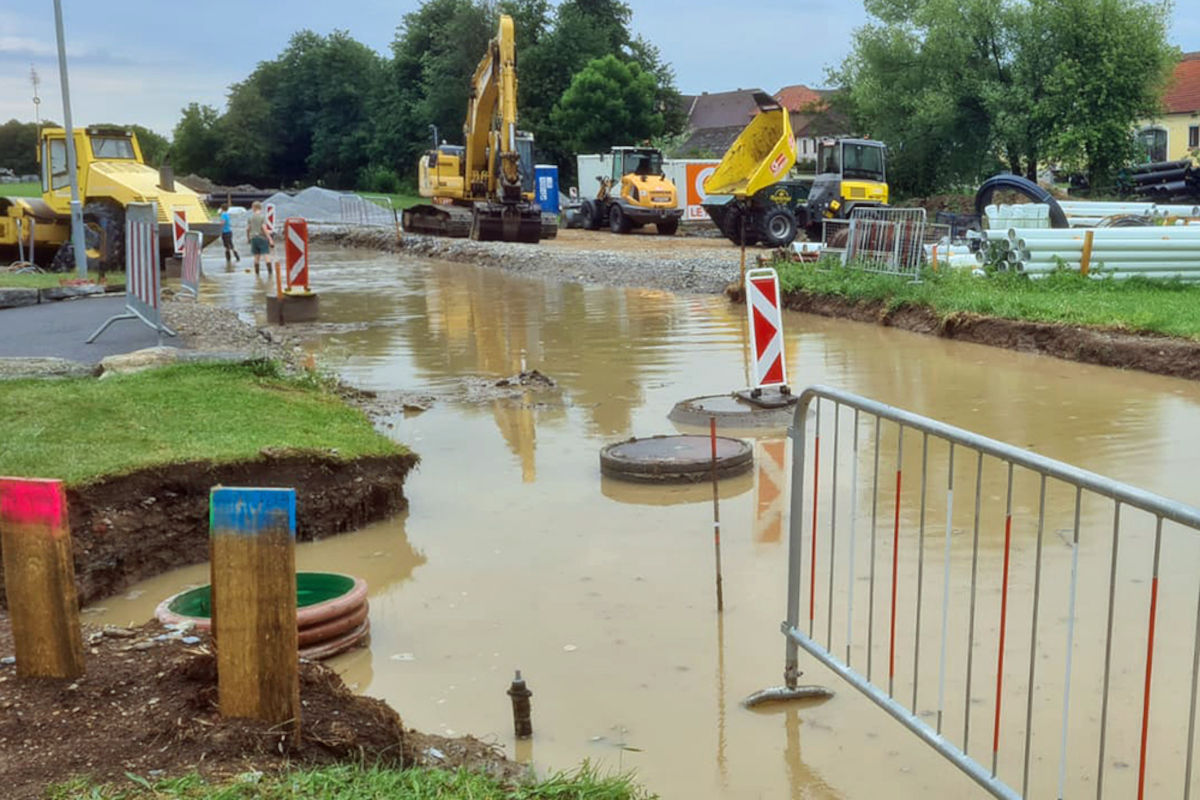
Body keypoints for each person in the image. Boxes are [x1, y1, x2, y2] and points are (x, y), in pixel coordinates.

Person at [246, 201, 272, 277]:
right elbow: (264, 228)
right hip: (262, 238)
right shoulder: (262, 217)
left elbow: (247, 229)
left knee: (256, 258)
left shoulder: (250, 218)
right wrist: (270, 239)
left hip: (253, 238)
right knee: (266, 255)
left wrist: (248, 238)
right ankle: (270, 275)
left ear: (254, 208)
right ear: (260, 208)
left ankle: (257, 275)